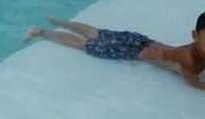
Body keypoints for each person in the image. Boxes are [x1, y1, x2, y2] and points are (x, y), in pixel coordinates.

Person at [24, 13, 205, 90]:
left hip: (140, 40)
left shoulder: (196, 48)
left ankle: (59, 21)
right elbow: (194, 84)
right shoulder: (190, 61)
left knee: (95, 32)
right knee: (84, 44)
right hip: (128, 50)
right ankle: (40, 31)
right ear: (195, 36)